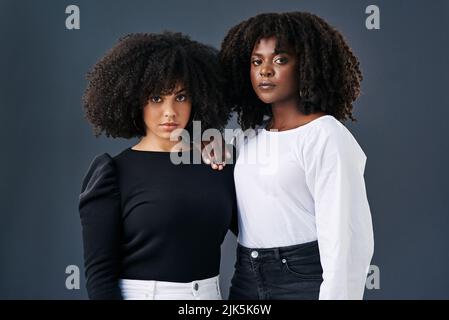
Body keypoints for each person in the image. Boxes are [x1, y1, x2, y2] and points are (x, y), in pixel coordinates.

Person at [218, 12, 374, 300]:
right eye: (257, 61)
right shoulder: (250, 138)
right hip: (246, 278)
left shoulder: (326, 135)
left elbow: (346, 240)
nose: (265, 70)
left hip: (302, 279)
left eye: (280, 60)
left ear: (307, 66)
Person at [79, 32, 237, 300]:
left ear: (199, 98)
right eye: (156, 98)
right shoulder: (113, 173)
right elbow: (100, 276)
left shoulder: (219, 164)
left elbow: (258, 239)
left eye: (181, 97)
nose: (169, 111)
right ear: (133, 100)